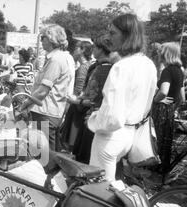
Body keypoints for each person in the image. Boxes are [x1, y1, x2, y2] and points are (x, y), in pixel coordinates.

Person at [87, 14, 157, 182]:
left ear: (127, 35)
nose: (107, 38)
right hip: (130, 134)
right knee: (109, 187)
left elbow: (112, 117)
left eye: (112, 33)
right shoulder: (148, 64)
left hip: (110, 136)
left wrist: (94, 120)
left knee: (97, 193)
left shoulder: (121, 67)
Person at [20, 24, 72, 154]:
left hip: (45, 113)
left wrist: (25, 105)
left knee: (44, 154)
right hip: (48, 112)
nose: (41, 40)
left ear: (51, 39)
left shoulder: (55, 60)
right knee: (44, 152)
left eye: (43, 37)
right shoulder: (58, 58)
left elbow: (43, 91)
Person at [69, 35, 114, 164]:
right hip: (92, 116)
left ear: (102, 49)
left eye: (96, 47)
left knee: (86, 159)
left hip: (94, 117)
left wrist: (77, 101)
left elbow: (96, 99)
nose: (93, 49)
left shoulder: (104, 69)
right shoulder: (100, 67)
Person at [151, 42, 185, 175]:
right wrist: (173, 107)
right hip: (170, 110)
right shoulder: (179, 71)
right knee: (166, 140)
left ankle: (152, 167)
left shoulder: (167, 70)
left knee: (156, 138)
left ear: (166, 54)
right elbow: (182, 97)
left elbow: (164, 91)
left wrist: (155, 100)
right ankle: (161, 169)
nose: (158, 53)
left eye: (161, 51)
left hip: (161, 109)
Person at [60, 41, 94, 152]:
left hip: (78, 105)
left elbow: (79, 89)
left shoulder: (83, 67)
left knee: (72, 140)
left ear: (82, 50)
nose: (74, 51)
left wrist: (74, 100)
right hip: (83, 105)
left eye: (76, 48)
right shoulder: (88, 65)